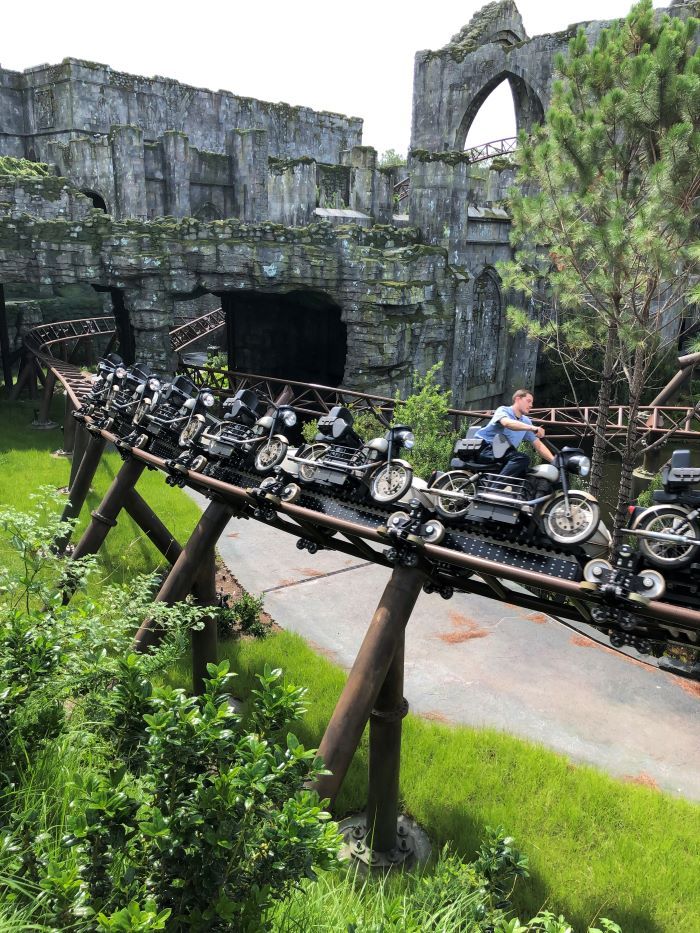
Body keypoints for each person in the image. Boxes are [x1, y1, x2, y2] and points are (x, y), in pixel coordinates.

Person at [474, 389, 555, 478]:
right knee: (521, 458)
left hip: (501, 453)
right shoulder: (503, 410)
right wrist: (533, 428)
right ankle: (493, 490)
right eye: (528, 401)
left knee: (527, 474)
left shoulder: (525, 421)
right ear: (518, 399)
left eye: (532, 402)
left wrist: (554, 461)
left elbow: (538, 445)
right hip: (484, 448)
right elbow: (507, 423)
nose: (531, 405)